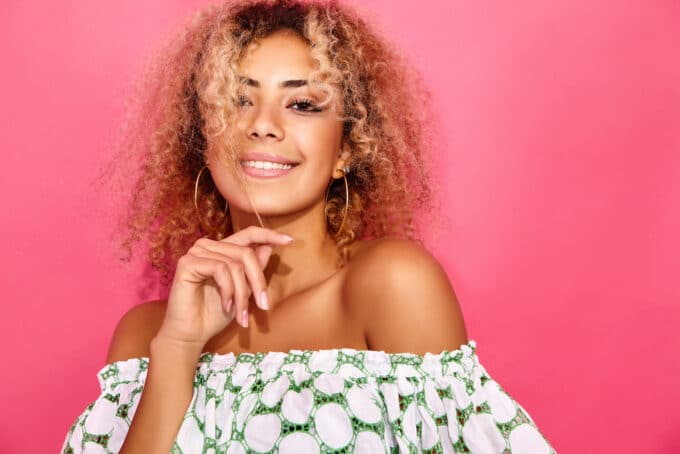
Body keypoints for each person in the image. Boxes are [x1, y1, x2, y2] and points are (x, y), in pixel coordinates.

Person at [62, 0, 555, 452]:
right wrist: (178, 349)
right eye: (236, 99)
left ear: (346, 149)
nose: (263, 124)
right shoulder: (146, 337)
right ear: (203, 143)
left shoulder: (390, 285)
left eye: (302, 104)